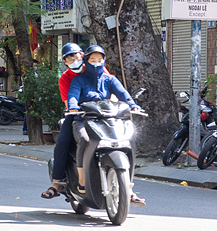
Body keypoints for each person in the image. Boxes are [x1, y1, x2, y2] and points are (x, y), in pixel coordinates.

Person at [66, 45, 144, 203]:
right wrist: (73, 107)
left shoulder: (110, 79)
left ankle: (128, 185)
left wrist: (133, 105)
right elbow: (72, 95)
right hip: (84, 120)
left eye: (99, 59)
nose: (96, 62)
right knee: (84, 140)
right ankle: (82, 180)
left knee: (129, 140)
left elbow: (123, 94)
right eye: (92, 59)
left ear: (104, 61)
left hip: (107, 120)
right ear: (86, 61)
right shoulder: (78, 80)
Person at [41, 43, 85, 200]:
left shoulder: (94, 70)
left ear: (82, 55)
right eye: (69, 58)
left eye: (76, 56)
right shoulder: (65, 78)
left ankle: (128, 186)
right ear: (65, 62)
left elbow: (111, 88)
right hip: (76, 115)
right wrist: (74, 108)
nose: (74, 60)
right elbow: (68, 102)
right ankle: (57, 183)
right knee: (62, 142)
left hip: (101, 113)